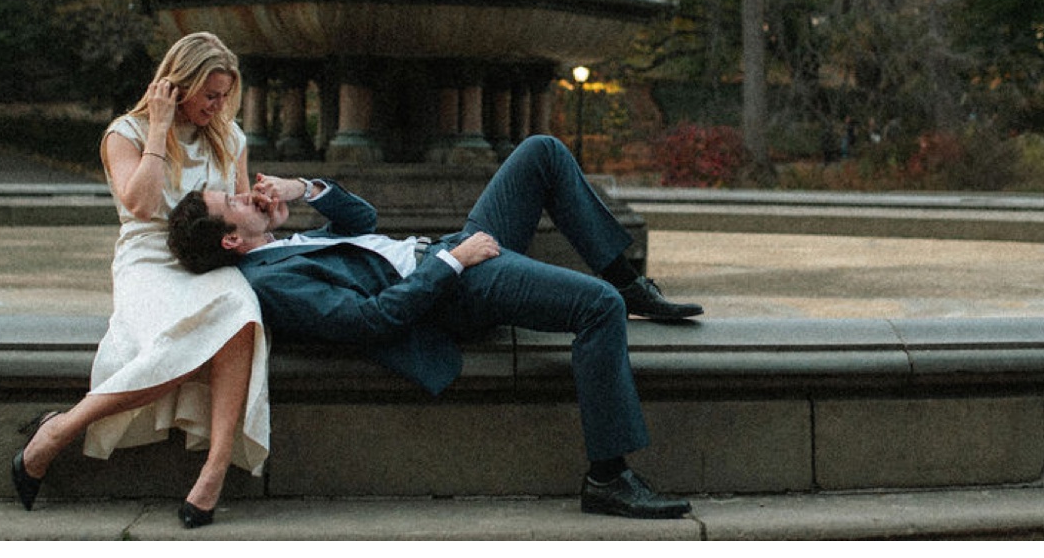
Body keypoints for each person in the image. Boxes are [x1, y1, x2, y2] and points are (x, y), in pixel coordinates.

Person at [167, 134, 703, 520]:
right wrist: (455, 264)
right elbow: (372, 320)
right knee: (598, 308)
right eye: (233, 204)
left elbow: (364, 222)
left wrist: (303, 189)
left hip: (448, 252)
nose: (245, 194)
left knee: (542, 151)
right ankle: (608, 477)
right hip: (454, 287)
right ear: (230, 241)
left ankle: (633, 284)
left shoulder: (281, 246)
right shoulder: (271, 283)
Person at [11, 32, 267, 530]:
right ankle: (61, 431)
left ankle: (213, 470)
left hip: (209, 262)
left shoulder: (229, 137)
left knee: (242, 312)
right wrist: (159, 132)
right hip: (149, 260)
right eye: (208, 95)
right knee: (178, 341)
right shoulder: (125, 134)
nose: (217, 106)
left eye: (223, 96)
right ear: (179, 86)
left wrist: (269, 212)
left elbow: (242, 219)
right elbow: (143, 205)